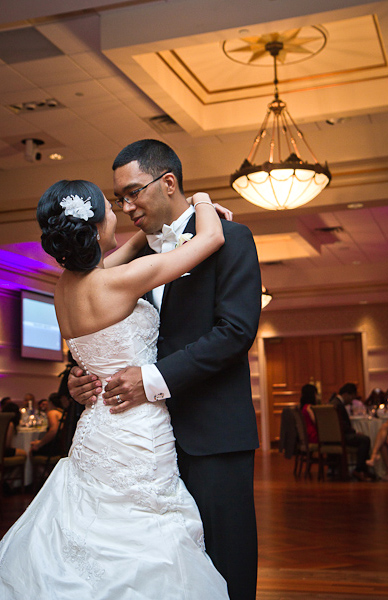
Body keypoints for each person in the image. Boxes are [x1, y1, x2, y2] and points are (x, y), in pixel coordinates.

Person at [0, 178, 230, 597]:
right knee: (146, 531)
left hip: (96, 428)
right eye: (110, 208)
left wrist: (153, 216)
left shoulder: (64, 288)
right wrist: (200, 199)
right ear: (93, 226)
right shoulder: (120, 281)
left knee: (94, 529)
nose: (118, 212)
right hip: (137, 426)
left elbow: (131, 246)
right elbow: (211, 238)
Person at [67, 139, 261, 600]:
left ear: (168, 181)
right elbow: (98, 337)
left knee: (225, 560)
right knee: (154, 568)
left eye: (133, 192)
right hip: (138, 447)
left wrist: (150, 381)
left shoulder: (230, 238)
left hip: (209, 433)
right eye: (119, 198)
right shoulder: (125, 259)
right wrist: (80, 378)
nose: (126, 205)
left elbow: (234, 332)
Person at [329, 383, 371, 481]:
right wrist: (355, 431)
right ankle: (359, 470)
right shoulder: (338, 405)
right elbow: (342, 425)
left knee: (362, 439)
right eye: (352, 397)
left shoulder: (333, 402)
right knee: (365, 440)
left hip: (334, 436)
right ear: (347, 394)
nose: (352, 401)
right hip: (341, 436)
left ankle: (362, 470)